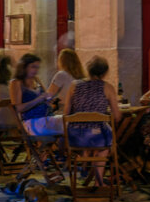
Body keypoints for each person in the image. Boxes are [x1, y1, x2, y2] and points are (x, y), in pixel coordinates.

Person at [63, 55, 121, 184]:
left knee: (97, 139)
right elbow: (116, 116)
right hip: (97, 136)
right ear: (105, 72)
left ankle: (86, 168)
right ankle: (98, 181)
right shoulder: (108, 88)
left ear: (88, 70)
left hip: (75, 137)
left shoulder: (74, 85)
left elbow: (66, 112)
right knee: (103, 146)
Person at [11, 53, 61, 135]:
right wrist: (37, 100)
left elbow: (44, 97)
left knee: (69, 123)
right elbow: (18, 108)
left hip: (46, 117)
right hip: (32, 122)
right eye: (33, 67)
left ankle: (61, 147)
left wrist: (48, 99)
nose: (36, 70)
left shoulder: (36, 80)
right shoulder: (16, 83)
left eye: (37, 67)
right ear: (24, 67)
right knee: (66, 126)